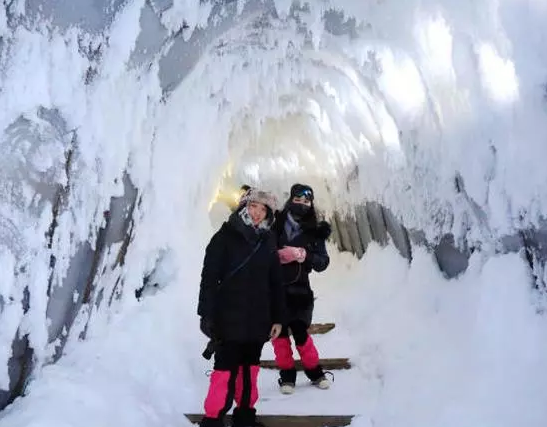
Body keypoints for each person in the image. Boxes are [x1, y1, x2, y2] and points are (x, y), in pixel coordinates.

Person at [197, 188, 286, 427]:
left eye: (263, 209)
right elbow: (209, 278)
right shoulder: (224, 236)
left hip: (258, 319)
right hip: (228, 317)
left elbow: (275, 282)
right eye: (253, 207)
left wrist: (278, 318)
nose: (257, 213)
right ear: (244, 207)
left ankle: (245, 416)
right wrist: (206, 314)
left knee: (249, 370)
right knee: (224, 371)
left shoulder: (268, 240)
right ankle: (213, 418)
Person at [270, 183, 332, 394]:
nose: (302, 204)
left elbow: (323, 262)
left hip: (300, 289)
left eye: (307, 201)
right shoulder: (274, 223)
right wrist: (276, 256)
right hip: (275, 288)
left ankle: (315, 371)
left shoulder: (316, 231)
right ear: (291, 200)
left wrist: (304, 255)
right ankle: (287, 375)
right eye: (298, 200)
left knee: (301, 333)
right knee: (278, 335)